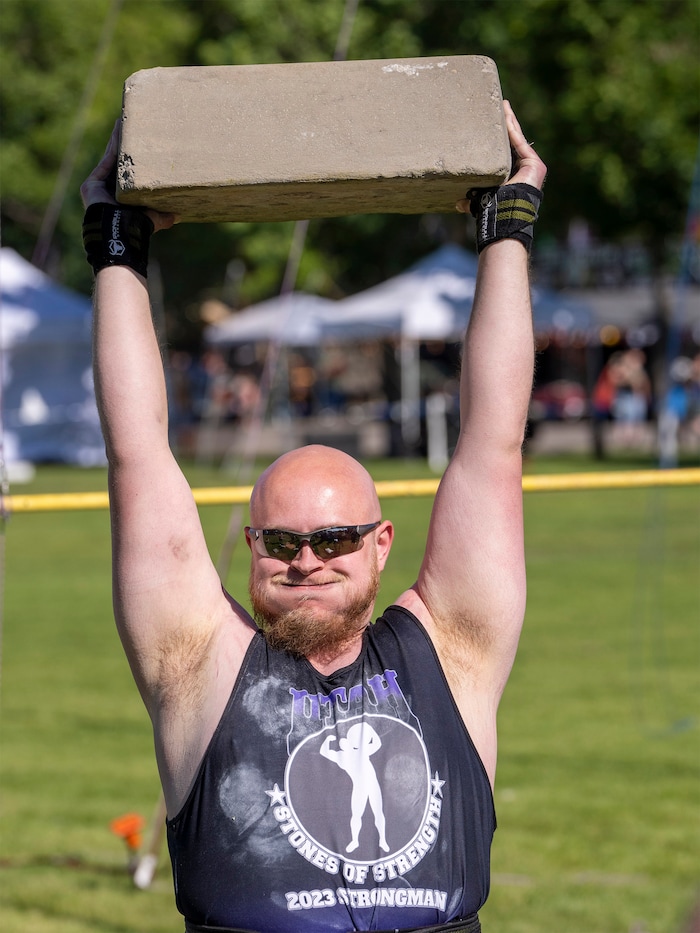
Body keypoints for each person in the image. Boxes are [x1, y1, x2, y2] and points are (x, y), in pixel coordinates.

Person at [80, 100, 546, 933]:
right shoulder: (198, 665)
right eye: (284, 541)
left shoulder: (454, 652)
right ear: (252, 546)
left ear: (380, 545)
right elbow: (139, 453)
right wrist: (118, 240)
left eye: (334, 539)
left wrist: (507, 226)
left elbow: (493, 444)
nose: (307, 559)